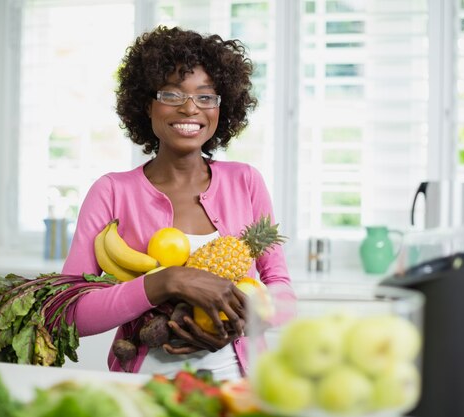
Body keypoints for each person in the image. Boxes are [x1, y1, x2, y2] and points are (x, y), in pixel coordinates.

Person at [61, 25, 294, 381]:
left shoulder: (245, 181)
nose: (190, 108)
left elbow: (281, 289)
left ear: (222, 107)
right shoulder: (111, 192)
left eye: (205, 96)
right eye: (172, 94)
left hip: (239, 388)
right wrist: (166, 282)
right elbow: (72, 313)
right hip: (141, 390)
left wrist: (244, 320)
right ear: (146, 104)